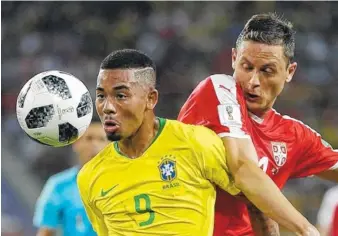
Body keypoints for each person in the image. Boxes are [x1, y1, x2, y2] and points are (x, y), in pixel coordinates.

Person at [77, 49, 319, 236]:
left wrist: (304, 229)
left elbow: (256, 203)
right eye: (101, 96)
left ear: (151, 99)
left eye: (121, 95)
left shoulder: (196, 143)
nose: (107, 107)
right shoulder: (90, 177)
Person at [178, 12, 338, 236]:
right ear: (234, 58)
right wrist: (306, 229)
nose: (253, 82)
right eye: (246, 67)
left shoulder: (293, 134)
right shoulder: (218, 89)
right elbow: (243, 168)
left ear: (289, 72)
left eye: (266, 71)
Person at [33, 120, 108, 236]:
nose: (95, 144)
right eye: (89, 138)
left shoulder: (123, 184)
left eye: (101, 139)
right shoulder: (58, 186)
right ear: (76, 143)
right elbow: (46, 232)